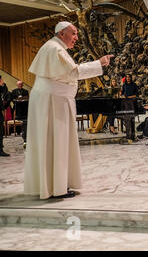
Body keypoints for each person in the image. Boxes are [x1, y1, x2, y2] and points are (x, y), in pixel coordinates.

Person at [23, 21, 113, 199]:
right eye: (74, 34)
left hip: (53, 99)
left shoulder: (54, 47)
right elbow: (73, 73)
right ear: (62, 33)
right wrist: (99, 64)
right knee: (57, 142)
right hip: (53, 102)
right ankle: (56, 188)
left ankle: (54, 185)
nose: (76, 38)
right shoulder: (55, 49)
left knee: (54, 143)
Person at [121, 74, 139, 140]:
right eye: (126, 77)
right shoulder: (124, 85)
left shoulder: (134, 85)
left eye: (129, 77)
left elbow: (136, 95)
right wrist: (123, 96)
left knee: (131, 119)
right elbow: (122, 93)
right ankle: (128, 134)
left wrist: (129, 97)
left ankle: (132, 134)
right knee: (127, 119)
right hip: (126, 103)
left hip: (132, 103)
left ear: (131, 78)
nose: (128, 78)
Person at [0, 78, 9, 156]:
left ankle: (0, 149)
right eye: (2, 79)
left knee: (1, 132)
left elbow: (6, 92)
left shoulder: (2, 88)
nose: (3, 80)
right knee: (1, 132)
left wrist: (3, 84)